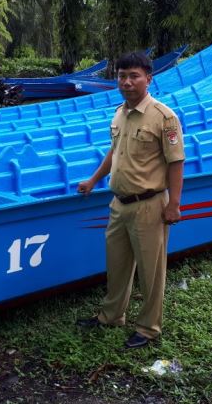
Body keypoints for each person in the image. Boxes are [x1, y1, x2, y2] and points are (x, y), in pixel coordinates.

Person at [76, 51, 185, 349]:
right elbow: (115, 152)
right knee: (117, 265)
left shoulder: (164, 117)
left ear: (148, 79)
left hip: (149, 205)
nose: (127, 82)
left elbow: (176, 162)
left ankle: (149, 328)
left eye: (134, 76)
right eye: (122, 76)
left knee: (151, 271)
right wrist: (94, 180)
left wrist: (174, 204)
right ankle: (111, 316)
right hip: (119, 203)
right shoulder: (120, 112)